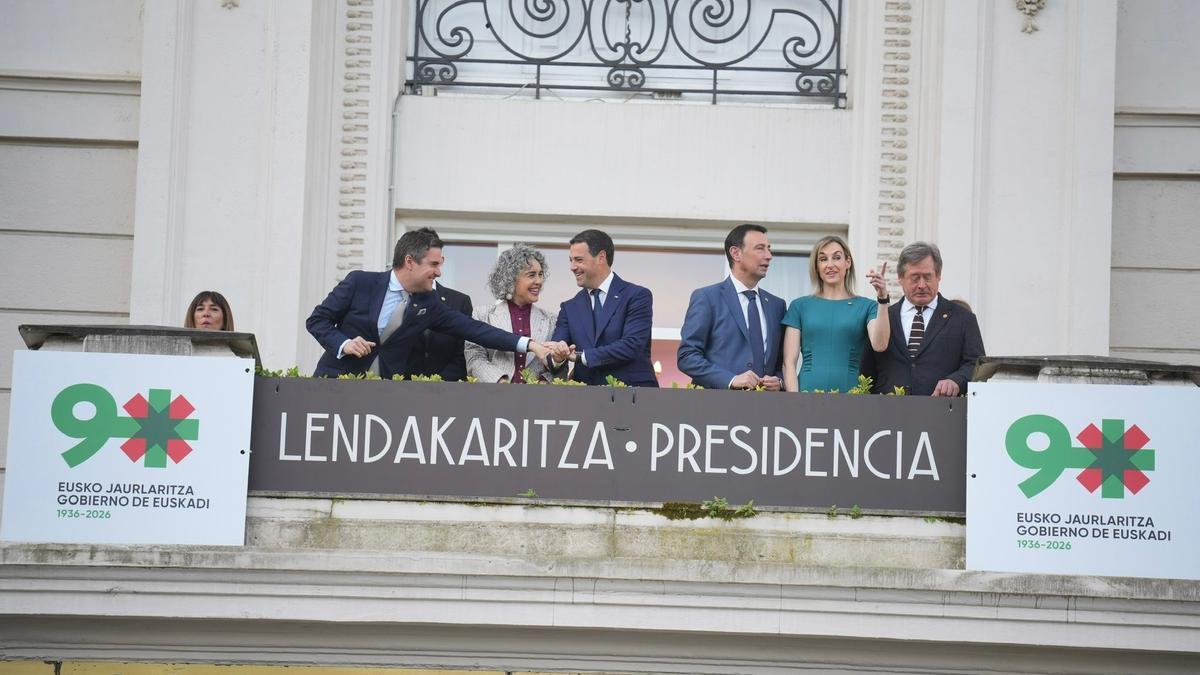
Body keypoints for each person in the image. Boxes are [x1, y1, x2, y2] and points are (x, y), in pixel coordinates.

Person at [306, 228, 551, 378]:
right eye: (434, 265)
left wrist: (529, 345)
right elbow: (317, 320)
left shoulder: (428, 303)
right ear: (410, 262)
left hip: (384, 399)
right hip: (336, 387)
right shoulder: (360, 282)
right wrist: (344, 343)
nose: (439, 273)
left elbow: (475, 329)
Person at [861, 241, 985, 396]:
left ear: (938, 276)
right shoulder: (884, 318)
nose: (921, 285)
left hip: (942, 408)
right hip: (888, 409)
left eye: (927, 277)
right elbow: (867, 372)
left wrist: (956, 381)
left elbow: (977, 365)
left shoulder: (963, 319)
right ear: (900, 278)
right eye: (915, 278)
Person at [677, 224, 785, 390]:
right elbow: (687, 356)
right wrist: (730, 380)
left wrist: (780, 382)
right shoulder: (707, 298)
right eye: (760, 249)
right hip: (717, 403)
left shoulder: (777, 306)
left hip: (765, 404)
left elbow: (782, 363)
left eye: (769, 249)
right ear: (736, 253)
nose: (769, 256)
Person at [546, 229, 657, 387]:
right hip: (585, 397)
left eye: (578, 260)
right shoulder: (569, 307)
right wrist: (558, 355)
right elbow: (556, 349)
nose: (572, 267)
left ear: (601, 257)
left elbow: (631, 345)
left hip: (632, 395)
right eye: (571, 260)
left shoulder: (637, 296)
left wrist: (582, 357)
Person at [782, 235, 890, 393]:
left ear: (848, 262)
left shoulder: (867, 306)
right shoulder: (800, 306)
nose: (830, 265)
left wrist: (882, 298)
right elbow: (789, 362)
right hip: (806, 395)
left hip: (851, 394)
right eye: (823, 259)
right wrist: (795, 400)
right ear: (816, 266)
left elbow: (880, 345)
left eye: (837, 257)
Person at [465, 243, 563, 383]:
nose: (539, 281)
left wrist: (544, 382)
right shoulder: (482, 315)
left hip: (539, 396)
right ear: (510, 278)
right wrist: (500, 381)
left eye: (540, 274)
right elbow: (474, 358)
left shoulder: (552, 320)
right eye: (531, 275)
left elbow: (560, 365)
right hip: (494, 393)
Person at [404, 281, 473, 381]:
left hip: (448, 386)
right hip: (400, 385)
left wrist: (438, 382)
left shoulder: (460, 301)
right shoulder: (399, 298)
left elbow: (464, 352)